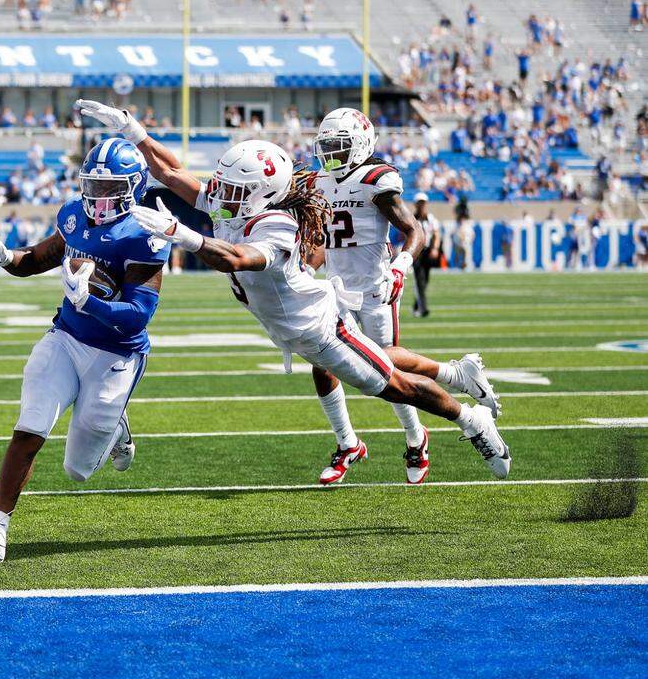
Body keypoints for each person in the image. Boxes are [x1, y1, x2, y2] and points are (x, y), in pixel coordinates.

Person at [76, 100, 511, 486]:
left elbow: (237, 259)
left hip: (321, 329)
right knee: (385, 364)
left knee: (392, 385)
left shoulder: (276, 224)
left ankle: (472, 421)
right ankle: (451, 381)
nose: (219, 195)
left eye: (231, 189)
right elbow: (171, 173)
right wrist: (134, 132)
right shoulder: (234, 204)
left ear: (261, 193)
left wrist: (183, 236)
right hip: (296, 327)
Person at [0, 138, 171, 563]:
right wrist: (7, 258)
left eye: (111, 189)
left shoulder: (145, 233)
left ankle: (116, 427)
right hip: (67, 338)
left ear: (135, 188)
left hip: (116, 354)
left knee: (77, 469)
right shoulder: (74, 216)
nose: (99, 197)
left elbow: (137, 316)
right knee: (29, 426)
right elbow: (39, 258)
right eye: (93, 186)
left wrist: (87, 301)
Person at [309, 107, 434, 484]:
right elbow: (324, 241)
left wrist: (401, 266)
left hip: (376, 290)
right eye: (327, 145)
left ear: (361, 144)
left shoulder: (374, 180)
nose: (332, 153)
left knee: (387, 372)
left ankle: (416, 437)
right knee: (321, 364)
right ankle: (347, 442)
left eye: (339, 145)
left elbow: (415, 233)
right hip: (336, 291)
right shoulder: (319, 182)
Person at [410, 192, 441, 317]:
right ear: (415, 204)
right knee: (419, 280)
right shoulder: (411, 218)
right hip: (417, 251)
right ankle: (423, 309)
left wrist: (435, 248)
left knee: (425, 280)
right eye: (419, 203)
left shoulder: (431, 219)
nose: (421, 205)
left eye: (423, 203)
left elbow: (437, 234)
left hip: (428, 251)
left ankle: (416, 306)